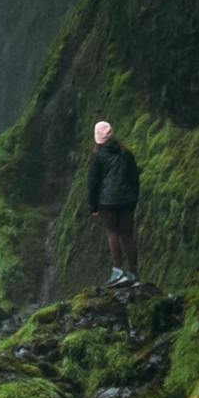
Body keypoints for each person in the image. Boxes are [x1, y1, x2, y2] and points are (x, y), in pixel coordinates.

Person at [86, 119, 141, 285]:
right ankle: (133, 273)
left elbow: (93, 182)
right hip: (127, 200)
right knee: (127, 235)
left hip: (107, 201)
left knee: (112, 233)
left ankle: (117, 272)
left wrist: (93, 206)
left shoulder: (98, 156)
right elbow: (135, 178)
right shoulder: (126, 153)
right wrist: (134, 198)